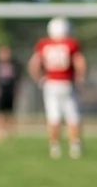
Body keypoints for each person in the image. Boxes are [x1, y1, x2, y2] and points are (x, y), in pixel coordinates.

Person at [30, 17, 86, 159]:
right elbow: (80, 62)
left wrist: (39, 79)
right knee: (72, 116)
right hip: (67, 83)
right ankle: (75, 147)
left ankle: (55, 147)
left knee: (53, 117)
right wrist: (80, 78)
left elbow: (34, 64)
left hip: (51, 83)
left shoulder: (44, 44)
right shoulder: (71, 44)